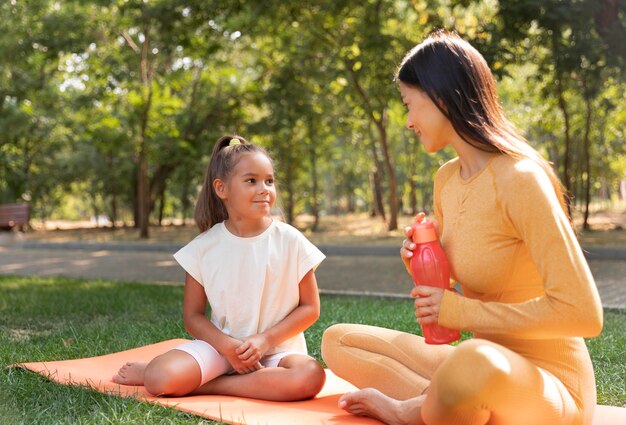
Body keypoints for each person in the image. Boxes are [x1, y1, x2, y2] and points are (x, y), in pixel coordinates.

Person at [321, 30, 603, 425]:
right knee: (339, 341)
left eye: (409, 105)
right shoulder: (447, 180)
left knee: (471, 363)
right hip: (481, 364)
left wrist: (464, 312)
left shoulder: (522, 178)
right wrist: (422, 260)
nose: (407, 121)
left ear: (440, 96)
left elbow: (583, 314)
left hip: (546, 387)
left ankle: (414, 410)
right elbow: (464, 280)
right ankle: (446, 400)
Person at [113, 135, 327, 401]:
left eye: (269, 181)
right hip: (221, 349)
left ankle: (209, 386)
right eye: (251, 180)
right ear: (221, 188)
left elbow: (310, 308)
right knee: (158, 377)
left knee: (310, 377)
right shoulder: (203, 248)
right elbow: (193, 317)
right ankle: (243, 381)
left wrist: (264, 341)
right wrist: (228, 349)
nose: (264, 189)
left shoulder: (291, 240)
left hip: (277, 351)